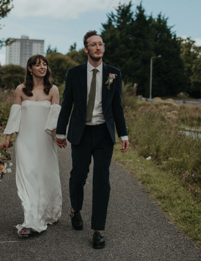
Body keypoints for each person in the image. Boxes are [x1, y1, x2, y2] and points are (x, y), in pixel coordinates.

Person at [55, 30, 129, 249]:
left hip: (104, 133)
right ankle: (75, 209)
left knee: (101, 180)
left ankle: (98, 229)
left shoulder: (113, 73)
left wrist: (123, 134)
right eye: (93, 44)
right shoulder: (74, 73)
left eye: (100, 44)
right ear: (86, 49)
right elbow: (67, 103)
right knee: (78, 176)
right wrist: (61, 131)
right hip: (81, 132)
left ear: (103, 48)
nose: (98, 47)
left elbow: (117, 107)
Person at [0, 54, 62, 237]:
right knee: (27, 179)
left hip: (45, 140)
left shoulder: (53, 90)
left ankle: (49, 211)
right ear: (30, 68)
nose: (42, 67)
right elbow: (15, 115)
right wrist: (7, 138)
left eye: (44, 64)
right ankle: (31, 221)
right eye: (37, 65)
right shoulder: (21, 90)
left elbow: (55, 117)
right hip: (24, 141)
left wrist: (59, 136)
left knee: (45, 177)